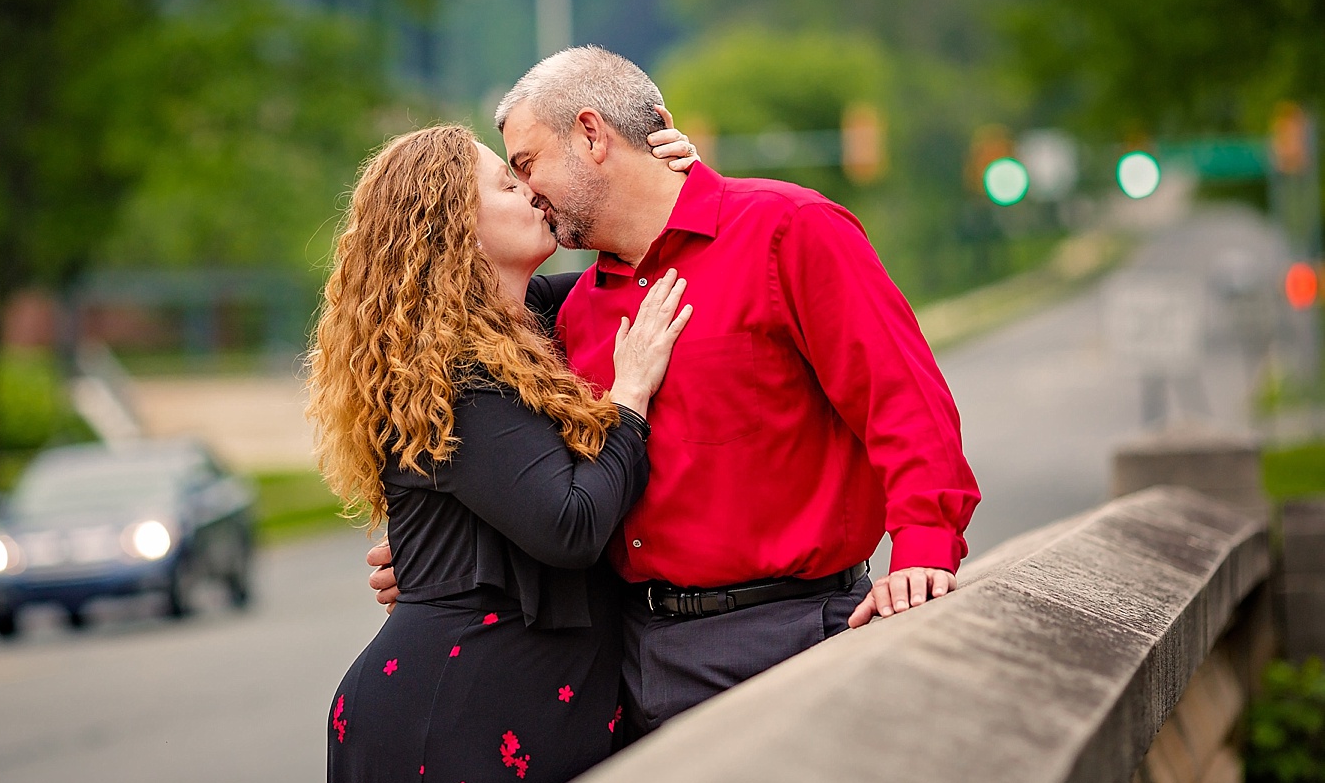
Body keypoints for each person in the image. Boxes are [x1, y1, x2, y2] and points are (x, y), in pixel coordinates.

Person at [370, 47, 981, 739]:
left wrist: (925, 546)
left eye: (528, 163)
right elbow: (532, 465)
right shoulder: (567, 314)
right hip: (632, 657)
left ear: (593, 136)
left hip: (792, 630)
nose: (526, 188)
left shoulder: (787, 231)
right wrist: (446, 555)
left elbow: (901, 398)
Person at [307, 123, 696, 783]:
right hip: (455, 721)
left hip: (520, 708)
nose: (532, 190)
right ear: (457, 229)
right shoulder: (453, 373)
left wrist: (667, 176)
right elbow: (571, 524)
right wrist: (632, 398)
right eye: (507, 183)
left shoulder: (529, 326)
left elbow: (653, 263)